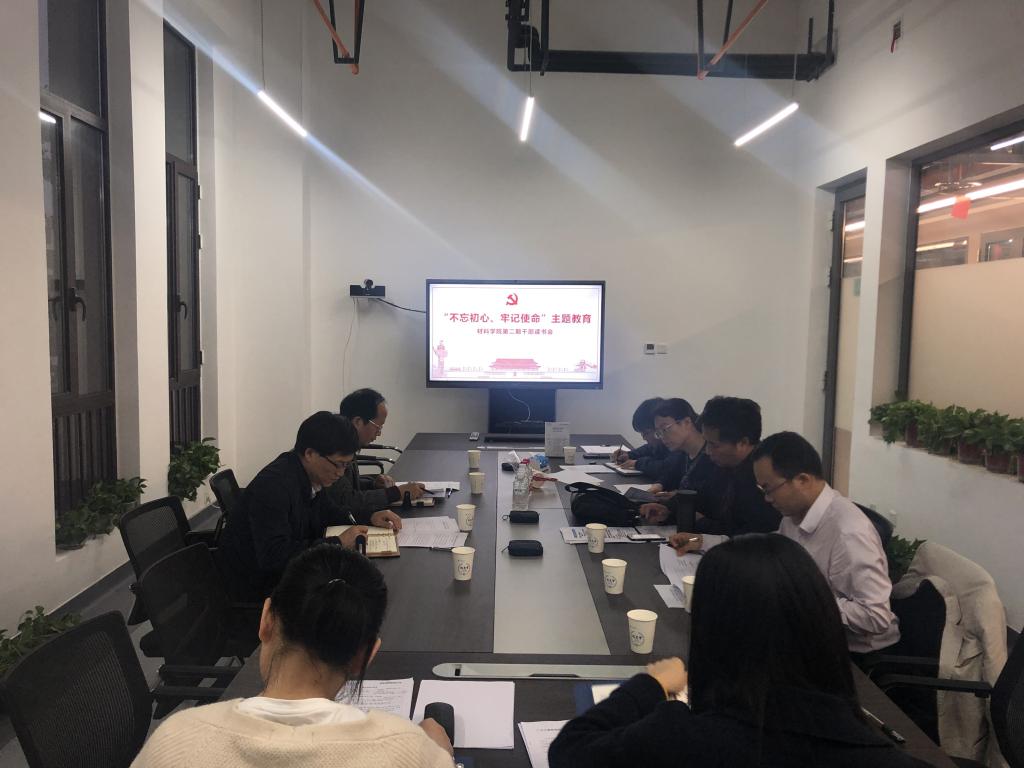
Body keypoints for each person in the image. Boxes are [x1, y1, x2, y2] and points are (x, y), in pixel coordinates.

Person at [548, 535, 931, 768]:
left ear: (713, 631)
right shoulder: (884, 755)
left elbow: (571, 750)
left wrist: (649, 685)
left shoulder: (680, 741)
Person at [132, 545, 454, 768]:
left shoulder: (174, 741)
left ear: (266, 621)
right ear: (366, 656)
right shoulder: (406, 751)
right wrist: (439, 754)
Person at [751, 431, 900, 654]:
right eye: (762, 490)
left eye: (769, 489)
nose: (767, 499)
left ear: (802, 480)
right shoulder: (793, 514)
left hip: (850, 653)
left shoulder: (849, 533)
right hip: (808, 631)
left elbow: (875, 616)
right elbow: (780, 556)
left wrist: (803, 600)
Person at [216, 412, 383, 602]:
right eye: (338, 464)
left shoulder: (308, 474)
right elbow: (274, 557)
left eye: (346, 465)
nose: (340, 473)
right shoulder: (274, 486)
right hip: (257, 588)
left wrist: (370, 516)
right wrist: (337, 543)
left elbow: (329, 511)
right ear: (310, 454)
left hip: (286, 576)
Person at [659, 396, 780, 551]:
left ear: (742, 443)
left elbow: (746, 538)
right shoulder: (722, 463)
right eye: (706, 443)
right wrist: (668, 511)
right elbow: (700, 498)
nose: (708, 451)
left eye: (714, 445)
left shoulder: (762, 480)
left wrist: (701, 525)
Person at [327, 389, 425, 520]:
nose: (379, 433)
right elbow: (346, 500)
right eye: (378, 427)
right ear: (358, 422)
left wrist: (373, 484)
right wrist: (396, 493)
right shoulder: (335, 447)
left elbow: (347, 487)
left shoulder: (347, 442)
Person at [645, 398, 711, 498]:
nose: (662, 437)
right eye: (658, 432)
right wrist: (659, 484)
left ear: (687, 422)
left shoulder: (713, 455)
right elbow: (670, 474)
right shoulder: (683, 452)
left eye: (665, 429)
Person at [610, 397, 670, 477]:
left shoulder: (676, 446)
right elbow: (648, 448)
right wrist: (629, 455)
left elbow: (666, 467)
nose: (644, 438)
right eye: (641, 433)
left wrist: (637, 463)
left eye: (646, 433)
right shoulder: (659, 444)